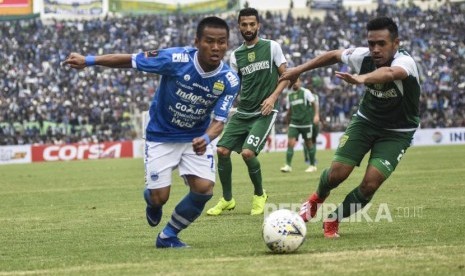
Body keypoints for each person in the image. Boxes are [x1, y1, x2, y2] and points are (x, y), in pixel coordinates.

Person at [63, 16, 240, 248]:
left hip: (195, 139)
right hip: (161, 136)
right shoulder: (174, 59)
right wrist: (89, 60)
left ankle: (168, 236)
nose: (216, 47)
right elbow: (130, 60)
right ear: (197, 41)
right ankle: (153, 203)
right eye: (209, 41)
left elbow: (219, 121)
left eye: (222, 42)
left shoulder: (229, 80)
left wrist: (206, 137)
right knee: (159, 197)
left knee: (204, 189)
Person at [279, 16, 421, 238]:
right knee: (337, 174)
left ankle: (333, 219)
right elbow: (334, 55)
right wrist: (299, 69)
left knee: (370, 184)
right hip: (366, 122)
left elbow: (392, 74)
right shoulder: (362, 56)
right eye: (371, 43)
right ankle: (315, 199)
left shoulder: (405, 63)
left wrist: (362, 78)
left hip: (397, 132)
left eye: (381, 43)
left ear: (396, 43)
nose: (375, 49)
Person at [206, 7, 288, 216]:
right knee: (222, 151)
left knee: (247, 153)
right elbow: (233, 86)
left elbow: (287, 75)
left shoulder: (272, 47)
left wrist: (273, 97)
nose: (249, 28)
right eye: (244, 24)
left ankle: (260, 194)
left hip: (264, 112)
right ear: (239, 26)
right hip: (243, 112)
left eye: (252, 24)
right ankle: (227, 199)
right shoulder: (236, 55)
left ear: (258, 25)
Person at [280, 77, 320, 173]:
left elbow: (314, 103)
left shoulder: (305, 92)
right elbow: (289, 111)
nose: (294, 83)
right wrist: (287, 124)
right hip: (294, 123)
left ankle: (312, 165)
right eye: (293, 82)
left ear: (300, 82)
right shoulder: (289, 95)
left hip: (306, 123)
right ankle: (288, 165)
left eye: (296, 81)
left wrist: (316, 115)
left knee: (309, 143)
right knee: (290, 143)